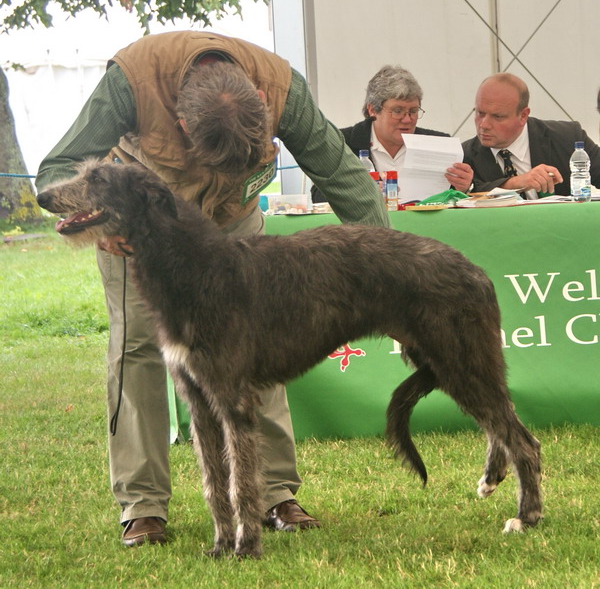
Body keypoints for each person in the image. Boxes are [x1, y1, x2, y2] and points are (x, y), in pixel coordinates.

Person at [35, 31, 390, 547]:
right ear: (182, 124)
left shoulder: (283, 87)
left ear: (263, 107)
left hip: (234, 230)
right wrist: (108, 225)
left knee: (255, 350)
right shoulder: (130, 81)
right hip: (143, 233)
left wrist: (389, 263)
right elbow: (58, 169)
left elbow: (345, 179)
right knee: (138, 351)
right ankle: (143, 506)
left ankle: (274, 495)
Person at [311, 65, 473, 204]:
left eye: (414, 111)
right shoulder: (342, 143)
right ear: (373, 110)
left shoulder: (440, 144)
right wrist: (357, 191)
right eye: (398, 111)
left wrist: (465, 187)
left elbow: (461, 198)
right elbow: (318, 196)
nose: (408, 119)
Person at [463, 72, 600, 196]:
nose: (484, 125)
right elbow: (466, 193)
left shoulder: (567, 138)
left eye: (498, 116)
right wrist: (515, 184)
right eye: (480, 113)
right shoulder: (464, 156)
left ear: (523, 116)